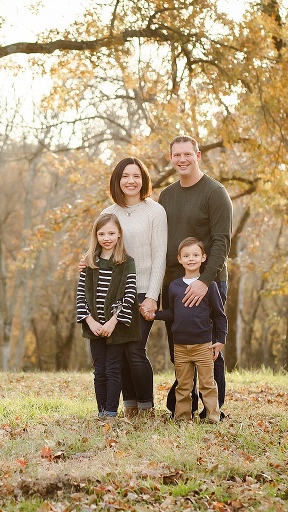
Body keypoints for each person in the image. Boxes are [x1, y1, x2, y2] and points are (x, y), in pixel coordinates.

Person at [158, 135, 232, 419]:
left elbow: (221, 242)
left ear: (198, 156)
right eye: (177, 155)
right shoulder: (166, 196)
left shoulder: (215, 193)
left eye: (187, 154)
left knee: (208, 348)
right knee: (179, 345)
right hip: (174, 284)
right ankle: (184, 405)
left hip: (208, 281)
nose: (182, 159)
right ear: (171, 158)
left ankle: (213, 409)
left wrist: (204, 281)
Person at [100, 157, 167, 417]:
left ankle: (146, 407)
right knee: (120, 352)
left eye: (136, 176)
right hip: (114, 292)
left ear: (143, 180)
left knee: (135, 350)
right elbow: (100, 248)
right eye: (125, 176)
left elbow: (159, 255)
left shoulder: (155, 211)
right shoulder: (108, 213)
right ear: (117, 180)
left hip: (143, 290)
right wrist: (87, 262)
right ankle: (130, 407)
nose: (131, 181)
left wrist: (152, 296)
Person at [153, 238, 226, 423]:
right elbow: (172, 313)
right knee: (183, 385)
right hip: (180, 346)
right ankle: (182, 418)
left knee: (207, 384)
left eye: (195, 255)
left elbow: (219, 315)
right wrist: (154, 314)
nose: (191, 259)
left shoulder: (210, 286)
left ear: (203, 258)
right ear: (179, 259)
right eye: (186, 255)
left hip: (204, 345)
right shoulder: (174, 286)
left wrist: (220, 340)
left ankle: (212, 417)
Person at [76, 213, 141, 419]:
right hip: (94, 325)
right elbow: (81, 294)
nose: (107, 238)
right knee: (99, 370)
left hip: (116, 326)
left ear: (119, 234)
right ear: (96, 235)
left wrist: (113, 321)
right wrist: (90, 321)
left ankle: (111, 413)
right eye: (102, 233)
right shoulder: (89, 262)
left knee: (113, 369)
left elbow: (129, 295)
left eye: (111, 233)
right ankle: (101, 412)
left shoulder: (127, 263)